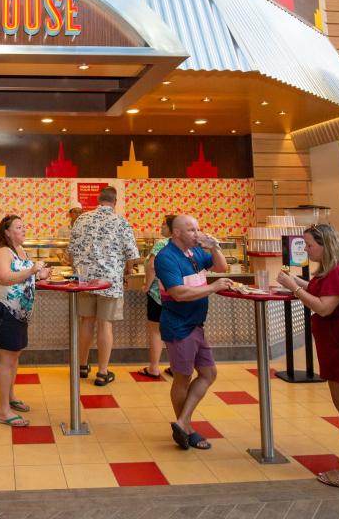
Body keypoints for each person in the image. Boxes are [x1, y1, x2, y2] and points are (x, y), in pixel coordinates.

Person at [276, 223, 339, 490]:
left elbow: (323, 307)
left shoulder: (338, 272)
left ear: (325, 244)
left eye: (309, 245)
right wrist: (298, 281)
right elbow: (325, 292)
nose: (306, 249)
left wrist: (294, 289)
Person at [154, 214, 234, 450]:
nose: (197, 233)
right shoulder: (166, 257)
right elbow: (178, 293)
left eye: (198, 229)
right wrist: (213, 287)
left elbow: (221, 266)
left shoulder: (195, 252)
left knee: (209, 374)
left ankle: (182, 422)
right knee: (183, 377)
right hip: (178, 325)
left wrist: (215, 246)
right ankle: (186, 428)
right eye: (191, 230)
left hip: (197, 324)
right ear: (176, 233)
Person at [68, 186, 140, 386]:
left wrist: (80, 269)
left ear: (98, 200)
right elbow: (132, 256)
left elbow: (71, 252)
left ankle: (81, 366)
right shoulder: (120, 221)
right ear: (115, 202)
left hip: (85, 280)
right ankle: (102, 372)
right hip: (109, 281)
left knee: (86, 322)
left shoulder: (81, 219)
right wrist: (127, 270)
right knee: (105, 324)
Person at [0, 214, 52, 427]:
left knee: (15, 356)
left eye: (24, 227)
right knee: (7, 358)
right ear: (6, 232)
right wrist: (32, 270)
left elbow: (24, 276)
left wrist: (40, 276)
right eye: (18, 227)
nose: (24, 230)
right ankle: (3, 411)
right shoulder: (0, 251)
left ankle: (11, 397)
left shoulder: (21, 250)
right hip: (4, 310)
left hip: (19, 312)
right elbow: (4, 277)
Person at [136, 214, 176, 379]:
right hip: (176, 292)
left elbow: (152, 266)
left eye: (163, 225)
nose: (161, 228)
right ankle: (176, 366)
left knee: (155, 331)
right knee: (173, 329)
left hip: (158, 293)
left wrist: (146, 285)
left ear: (171, 228)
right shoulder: (181, 244)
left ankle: (153, 368)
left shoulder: (161, 243)